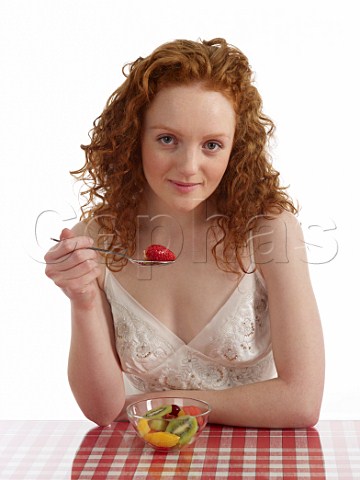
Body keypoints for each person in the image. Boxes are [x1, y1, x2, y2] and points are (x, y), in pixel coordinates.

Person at [44, 37, 325, 428]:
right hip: (147, 461)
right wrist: (83, 298)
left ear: (235, 149)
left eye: (211, 145)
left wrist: (166, 401)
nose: (189, 166)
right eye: (167, 140)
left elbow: (301, 402)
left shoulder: (269, 232)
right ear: (133, 139)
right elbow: (103, 410)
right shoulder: (97, 237)